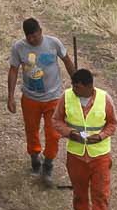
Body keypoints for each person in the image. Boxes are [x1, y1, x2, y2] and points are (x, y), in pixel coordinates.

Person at [60, 67, 117, 210]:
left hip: (99, 156)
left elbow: (113, 123)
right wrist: (70, 133)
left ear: (88, 87)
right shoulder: (66, 97)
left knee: (100, 194)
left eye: (76, 87)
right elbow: (56, 121)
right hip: (76, 155)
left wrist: (101, 136)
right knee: (79, 191)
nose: (73, 90)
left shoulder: (105, 99)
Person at [6, 17, 69, 185]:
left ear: (41, 31)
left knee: (53, 134)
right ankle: (35, 157)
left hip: (53, 98)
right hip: (30, 98)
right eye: (29, 37)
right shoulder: (19, 48)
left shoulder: (53, 43)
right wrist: (10, 96)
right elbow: (13, 71)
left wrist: (77, 84)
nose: (32, 39)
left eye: (35, 35)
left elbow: (67, 61)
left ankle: (48, 164)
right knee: (31, 129)